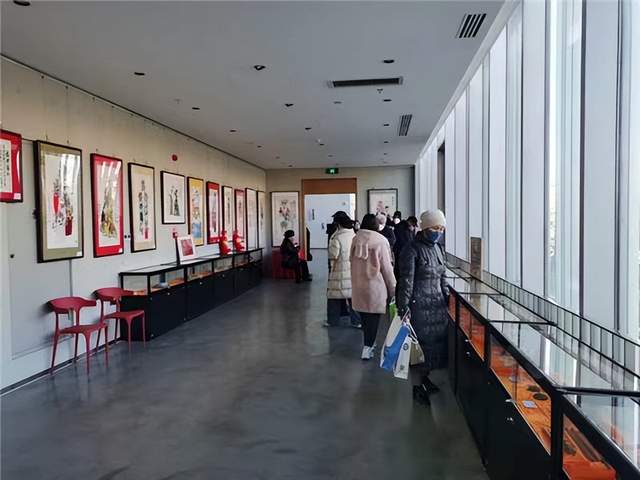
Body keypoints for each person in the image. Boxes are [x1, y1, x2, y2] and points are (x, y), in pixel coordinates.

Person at [396, 210, 448, 406]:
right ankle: (417, 387)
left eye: (441, 228)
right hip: (418, 308)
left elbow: (443, 277)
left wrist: (447, 297)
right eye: (435, 228)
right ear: (425, 228)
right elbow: (406, 281)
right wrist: (403, 307)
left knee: (434, 347)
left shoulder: (438, 249)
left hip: (438, 307)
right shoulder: (411, 250)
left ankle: (425, 379)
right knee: (419, 349)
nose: (438, 232)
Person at [350, 214, 396, 360]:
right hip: (375, 286)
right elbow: (387, 268)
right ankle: (368, 347)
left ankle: (369, 343)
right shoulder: (381, 241)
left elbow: (350, 260)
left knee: (365, 317)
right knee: (374, 318)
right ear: (376, 225)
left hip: (358, 285)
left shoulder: (355, 239)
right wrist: (393, 289)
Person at [326, 213, 360, 328]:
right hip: (352, 270)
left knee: (333, 297)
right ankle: (357, 321)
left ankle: (332, 321)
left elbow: (333, 255)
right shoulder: (354, 235)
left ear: (338, 224)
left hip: (339, 271)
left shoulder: (337, 238)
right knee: (353, 297)